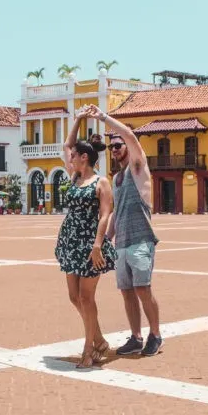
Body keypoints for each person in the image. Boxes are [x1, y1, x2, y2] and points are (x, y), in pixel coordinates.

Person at [86, 104, 163, 357]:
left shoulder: (138, 169)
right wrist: (107, 240)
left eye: (117, 145)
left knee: (143, 288)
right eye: (112, 147)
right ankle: (136, 337)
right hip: (122, 243)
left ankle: (155, 334)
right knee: (127, 292)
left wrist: (104, 118)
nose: (115, 149)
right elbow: (116, 214)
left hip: (141, 239)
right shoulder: (117, 178)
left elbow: (131, 137)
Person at [54, 108, 116, 369]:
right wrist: (79, 118)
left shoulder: (101, 182)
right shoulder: (75, 177)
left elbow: (105, 214)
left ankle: (89, 350)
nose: (70, 157)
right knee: (74, 296)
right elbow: (68, 143)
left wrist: (98, 244)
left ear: (84, 157)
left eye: (75, 156)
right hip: (70, 240)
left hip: (91, 244)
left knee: (87, 297)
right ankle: (99, 339)